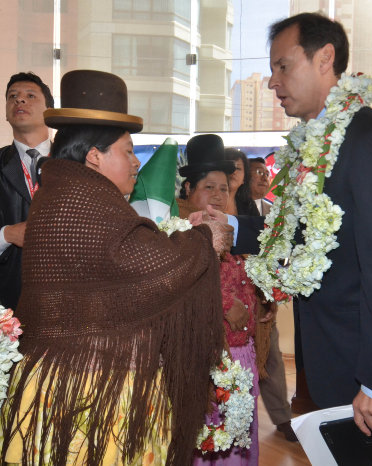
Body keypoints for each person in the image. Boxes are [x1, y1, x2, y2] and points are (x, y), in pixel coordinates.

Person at [193, 12, 372, 441]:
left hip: (369, 374)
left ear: (325, 58)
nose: (271, 82)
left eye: (282, 66)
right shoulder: (314, 143)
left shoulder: (370, 141)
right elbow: (295, 233)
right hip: (334, 360)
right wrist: (229, 225)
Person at [0, 70, 228, 466]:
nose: (136, 162)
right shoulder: (85, 202)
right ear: (94, 156)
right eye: (127, 150)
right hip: (94, 393)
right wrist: (206, 239)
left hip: (60, 383)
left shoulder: (65, 193)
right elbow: (152, 268)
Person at [178, 134, 260, 465]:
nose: (217, 195)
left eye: (224, 188)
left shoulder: (233, 230)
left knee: (240, 435)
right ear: (188, 191)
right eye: (208, 187)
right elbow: (181, 286)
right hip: (205, 355)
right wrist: (226, 304)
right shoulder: (177, 231)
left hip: (243, 353)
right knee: (208, 437)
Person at [246, 156, 297, 442]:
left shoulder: (272, 211)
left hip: (266, 298)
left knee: (273, 358)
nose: (264, 178)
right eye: (257, 173)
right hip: (239, 299)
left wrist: (274, 290)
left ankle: (282, 418)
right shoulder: (235, 208)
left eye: (267, 173)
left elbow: (279, 255)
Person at [0, 72, 54, 310]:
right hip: (8, 304)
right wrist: (6, 235)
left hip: (68, 299)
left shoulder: (76, 163)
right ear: (5, 112)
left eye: (30, 96)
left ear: (49, 112)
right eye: (13, 96)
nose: (19, 100)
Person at [224, 148, 259, 216]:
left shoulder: (249, 205)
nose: (234, 172)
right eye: (230, 167)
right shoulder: (208, 202)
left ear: (244, 178)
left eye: (238, 168)